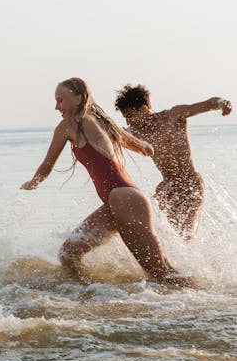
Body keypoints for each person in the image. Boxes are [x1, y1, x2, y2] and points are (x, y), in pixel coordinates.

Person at [21, 77, 197, 288]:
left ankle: (207, 296)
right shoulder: (100, 121)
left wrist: (33, 182)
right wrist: (145, 147)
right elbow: (141, 145)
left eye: (60, 100)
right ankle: (92, 293)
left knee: (161, 272)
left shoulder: (69, 125)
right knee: (69, 253)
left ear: (77, 99)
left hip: (124, 198)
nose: (56, 106)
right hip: (119, 201)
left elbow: (47, 166)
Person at [114, 84, 232, 240]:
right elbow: (110, 133)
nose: (128, 122)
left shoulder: (173, 116)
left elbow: (207, 104)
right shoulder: (135, 133)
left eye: (129, 116)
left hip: (190, 184)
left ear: (143, 109)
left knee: (186, 235)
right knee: (157, 233)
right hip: (167, 187)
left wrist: (223, 103)